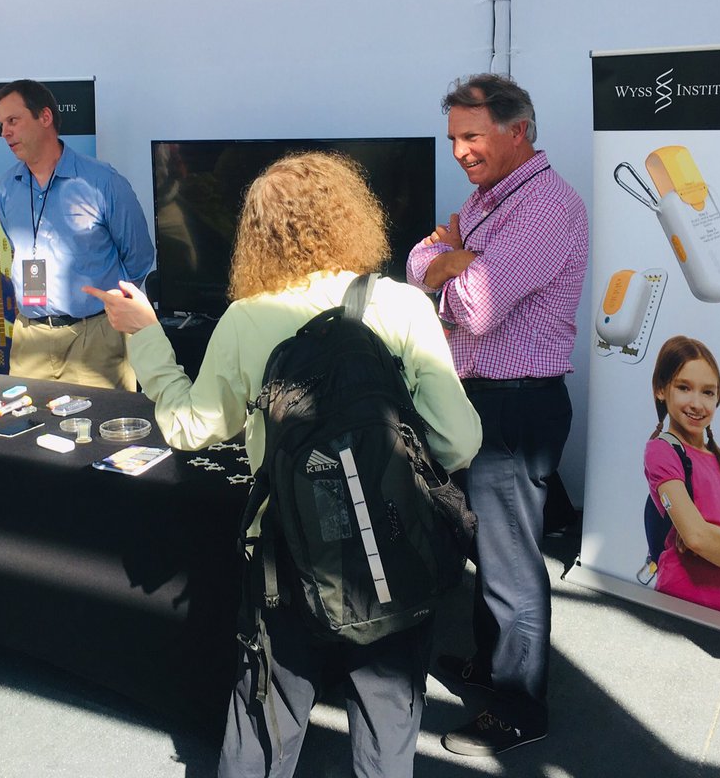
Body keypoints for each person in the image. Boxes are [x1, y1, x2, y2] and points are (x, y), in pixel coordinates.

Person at [87, 152, 481, 778]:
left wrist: (146, 333)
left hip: (287, 558)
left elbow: (191, 428)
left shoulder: (247, 319)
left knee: (266, 721)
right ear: (352, 216)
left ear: (257, 235)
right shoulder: (404, 305)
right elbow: (459, 441)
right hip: (395, 546)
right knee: (388, 731)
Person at [405, 73, 589, 756]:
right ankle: (490, 667)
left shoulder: (543, 205)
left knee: (510, 561)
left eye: (471, 136)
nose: (459, 150)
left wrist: (451, 267)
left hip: (515, 408)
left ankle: (520, 707)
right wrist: (451, 258)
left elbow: (478, 308)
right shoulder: (491, 200)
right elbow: (417, 261)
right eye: (453, 137)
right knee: (489, 549)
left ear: (518, 131)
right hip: (482, 399)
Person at [0, 79, 154, 390]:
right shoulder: (6, 188)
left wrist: (108, 312)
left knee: (101, 434)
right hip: (30, 341)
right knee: (24, 432)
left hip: (94, 340)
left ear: (45, 117)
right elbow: (18, 247)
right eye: (1, 125)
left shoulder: (101, 182)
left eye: (13, 120)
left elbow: (139, 256)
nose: (5, 133)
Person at [645, 335, 720, 617]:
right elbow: (696, 538)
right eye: (684, 387)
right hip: (687, 608)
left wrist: (717, 533)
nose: (697, 404)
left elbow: (698, 535)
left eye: (708, 392)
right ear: (661, 389)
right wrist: (700, 534)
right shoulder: (663, 451)